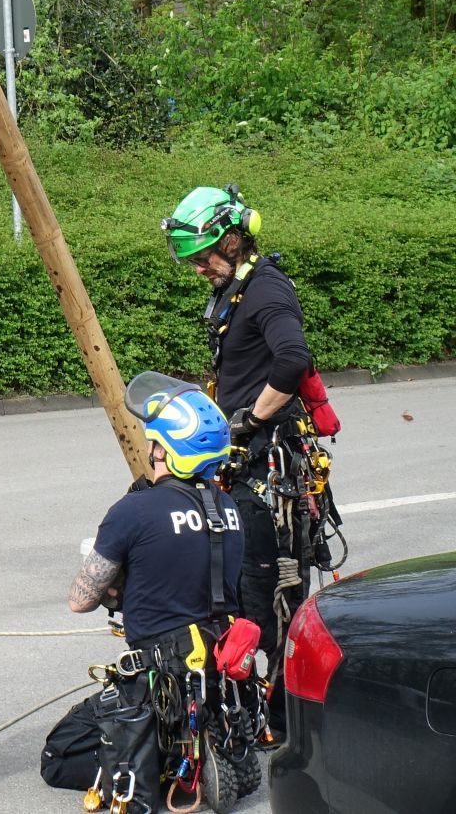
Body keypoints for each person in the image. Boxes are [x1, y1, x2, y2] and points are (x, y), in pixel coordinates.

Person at [160, 185, 322, 727]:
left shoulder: (267, 289)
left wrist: (251, 420)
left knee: (266, 588)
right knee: (242, 585)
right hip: (242, 459)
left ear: (231, 241)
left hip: (268, 463)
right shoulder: (238, 289)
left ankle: (275, 712)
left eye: (203, 257)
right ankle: (259, 704)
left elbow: (293, 358)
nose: (199, 269)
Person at [67, 375, 243, 647]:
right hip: (225, 673)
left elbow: (80, 602)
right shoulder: (229, 508)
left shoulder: (133, 511)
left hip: (164, 676)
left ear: (160, 450)